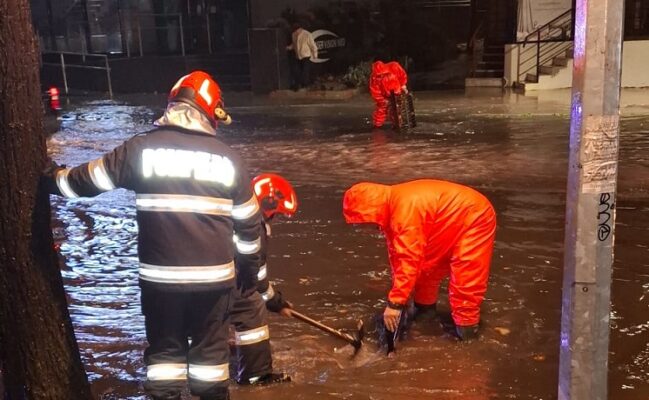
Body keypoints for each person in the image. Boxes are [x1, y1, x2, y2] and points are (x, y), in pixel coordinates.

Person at [45, 70, 262, 400]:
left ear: (172, 105)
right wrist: (249, 269)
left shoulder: (141, 150)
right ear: (210, 113)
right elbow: (249, 225)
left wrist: (50, 176)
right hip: (214, 284)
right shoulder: (230, 160)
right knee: (211, 364)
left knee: (164, 358)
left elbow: (85, 182)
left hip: (160, 283)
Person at [342, 179, 496, 341]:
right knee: (426, 267)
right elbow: (398, 256)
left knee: (466, 277)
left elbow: (408, 257)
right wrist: (400, 296)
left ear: (372, 210)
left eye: (363, 223)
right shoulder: (392, 208)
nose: (364, 229)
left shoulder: (404, 212)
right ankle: (425, 314)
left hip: (475, 216)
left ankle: (468, 334)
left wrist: (395, 304)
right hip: (449, 216)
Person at [230, 173, 297, 385]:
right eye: (276, 214)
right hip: (226, 280)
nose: (275, 219)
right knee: (253, 307)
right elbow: (257, 277)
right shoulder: (255, 227)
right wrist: (275, 303)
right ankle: (256, 376)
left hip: (203, 280)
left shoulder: (232, 213)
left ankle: (229, 352)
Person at [369, 60, 408, 128]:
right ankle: (377, 126)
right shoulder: (374, 78)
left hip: (397, 91)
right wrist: (382, 101)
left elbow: (402, 75)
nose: (381, 76)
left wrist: (403, 85)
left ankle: (397, 123)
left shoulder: (394, 66)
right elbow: (376, 92)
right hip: (384, 95)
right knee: (382, 109)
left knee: (397, 108)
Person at [286, 23, 318, 90]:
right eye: (294, 31)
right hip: (298, 56)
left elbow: (313, 45)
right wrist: (289, 47)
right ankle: (301, 84)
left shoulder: (307, 34)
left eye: (297, 30)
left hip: (306, 55)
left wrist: (315, 55)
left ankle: (305, 84)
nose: (296, 32)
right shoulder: (293, 35)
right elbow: (294, 44)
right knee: (299, 71)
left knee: (305, 71)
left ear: (300, 29)